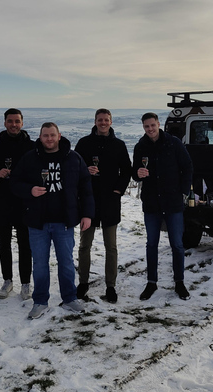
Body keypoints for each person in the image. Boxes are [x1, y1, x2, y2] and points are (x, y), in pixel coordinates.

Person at [11, 122, 94, 319]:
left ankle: (69, 298)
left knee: (66, 261)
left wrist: (87, 214)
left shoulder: (73, 158)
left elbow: (86, 188)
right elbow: (14, 182)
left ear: (59, 136)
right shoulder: (30, 158)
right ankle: (40, 301)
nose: (49, 139)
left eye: (52, 135)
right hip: (37, 221)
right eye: (45, 135)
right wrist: (29, 190)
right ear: (40, 137)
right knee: (40, 263)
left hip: (64, 221)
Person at [132, 112, 193, 301]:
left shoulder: (174, 143)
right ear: (143, 127)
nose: (150, 129)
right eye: (146, 126)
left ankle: (179, 282)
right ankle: (151, 282)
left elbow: (187, 166)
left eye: (152, 125)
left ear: (158, 124)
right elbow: (134, 172)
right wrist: (138, 173)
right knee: (152, 244)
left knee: (177, 244)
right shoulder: (140, 146)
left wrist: (183, 191)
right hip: (151, 203)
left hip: (173, 202)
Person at [73, 109, 132, 303]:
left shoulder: (119, 145)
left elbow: (127, 171)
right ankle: (83, 282)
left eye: (106, 120)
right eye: (100, 120)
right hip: (88, 201)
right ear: (95, 122)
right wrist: (85, 170)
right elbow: (73, 168)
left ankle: (111, 286)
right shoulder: (84, 143)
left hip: (109, 201)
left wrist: (118, 190)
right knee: (84, 245)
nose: (103, 123)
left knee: (111, 246)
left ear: (111, 122)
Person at [0, 108, 33, 300]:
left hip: (24, 202)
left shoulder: (31, 147)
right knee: (4, 244)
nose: (14, 125)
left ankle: (25, 283)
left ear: (22, 123)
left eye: (17, 121)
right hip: (3, 201)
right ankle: (7, 280)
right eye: (10, 121)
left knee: (25, 245)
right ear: (5, 123)